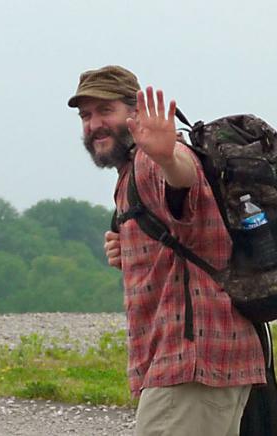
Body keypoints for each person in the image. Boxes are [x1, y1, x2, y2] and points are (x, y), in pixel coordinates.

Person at [67, 65, 266, 436]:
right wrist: (133, 254)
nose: (94, 124)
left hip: (191, 364)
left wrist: (166, 156)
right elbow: (188, 233)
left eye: (105, 110)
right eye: (86, 115)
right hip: (202, 362)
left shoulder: (151, 160)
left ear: (135, 112)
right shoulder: (129, 173)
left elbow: (181, 176)